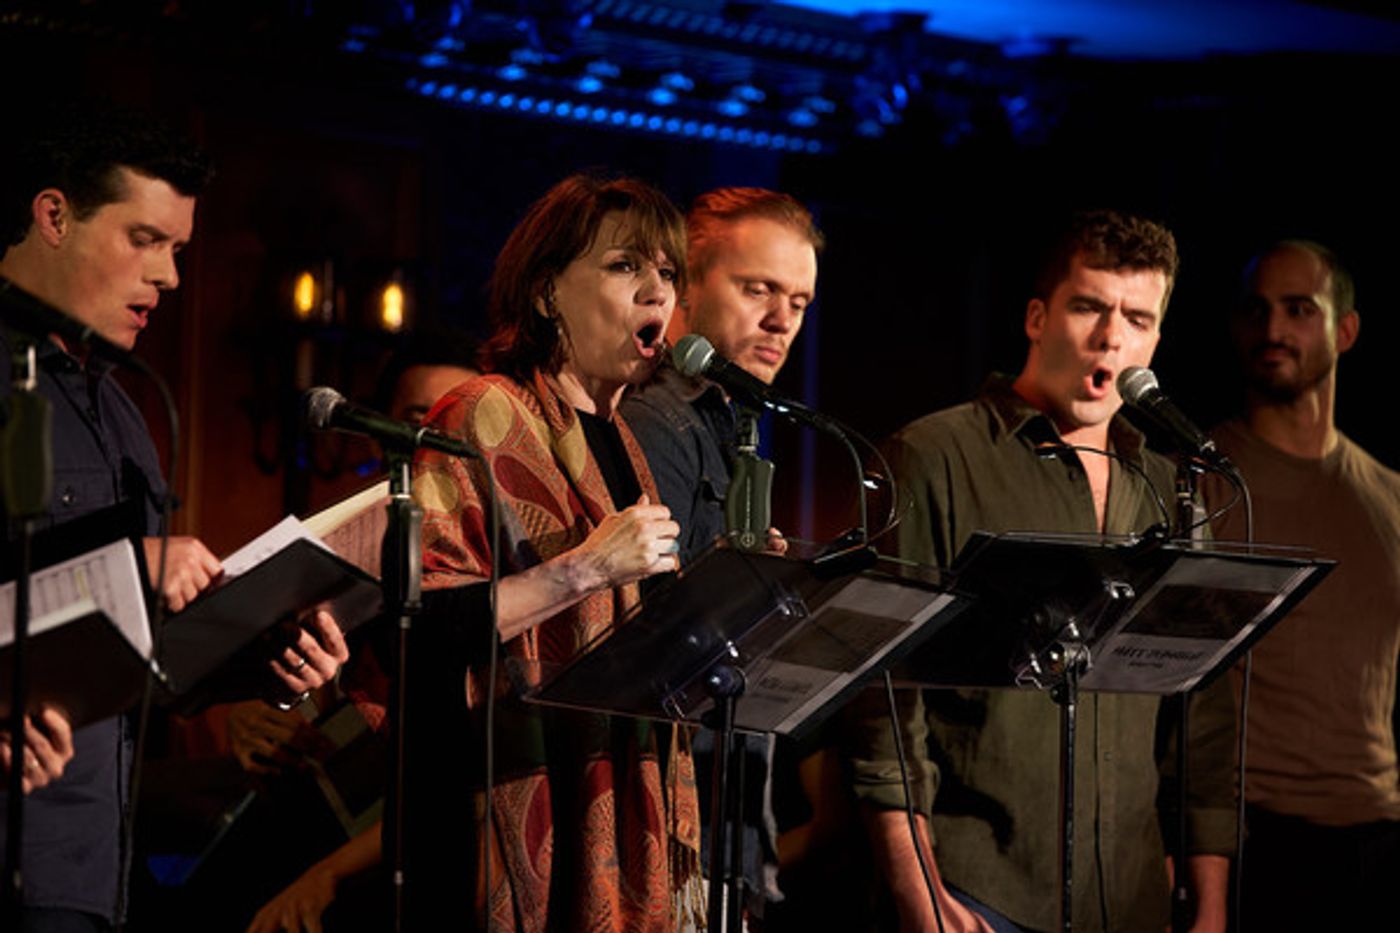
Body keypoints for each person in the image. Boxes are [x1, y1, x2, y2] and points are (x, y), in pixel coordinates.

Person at [0, 102, 349, 931]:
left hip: (97, 867)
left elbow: (145, 665)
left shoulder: (126, 410)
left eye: (179, 250)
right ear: (54, 216)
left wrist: (261, 655)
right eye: (143, 240)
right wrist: (131, 568)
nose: (170, 278)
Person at [847, 210, 1237, 932]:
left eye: (1138, 318)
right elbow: (883, 695)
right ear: (1037, 316)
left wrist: (1211, 897)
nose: (1111, 335)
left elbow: (1201, 715)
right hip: (980, 888)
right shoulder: (935, 455)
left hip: (1127, 898)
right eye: (1089, 306)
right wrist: (917, 888)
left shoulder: (1167, 487)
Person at [408, 173, 700, 930]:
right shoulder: (479, 411)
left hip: (610, 787)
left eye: (667, 273)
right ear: (545, 292)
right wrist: (587, 568)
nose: (656, 292)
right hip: (499, 798)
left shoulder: (627, 441)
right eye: (625, 266)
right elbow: (422, 626)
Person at [620, 187, 821, 924]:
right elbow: (653, 633)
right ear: (683, 286)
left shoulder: (725, 419)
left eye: (798, 301)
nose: (780, 320)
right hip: (670, 811)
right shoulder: (655, 418)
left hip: (724, 810)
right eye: (758, 289)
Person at [1204, 240, 1400, 931]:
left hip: (1377, 832)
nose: (1274, 330)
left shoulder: (1390, 497)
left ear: (1344, 330)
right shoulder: (1198, 481)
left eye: (1298, 309)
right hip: (1250, 838)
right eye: (1256, 310)